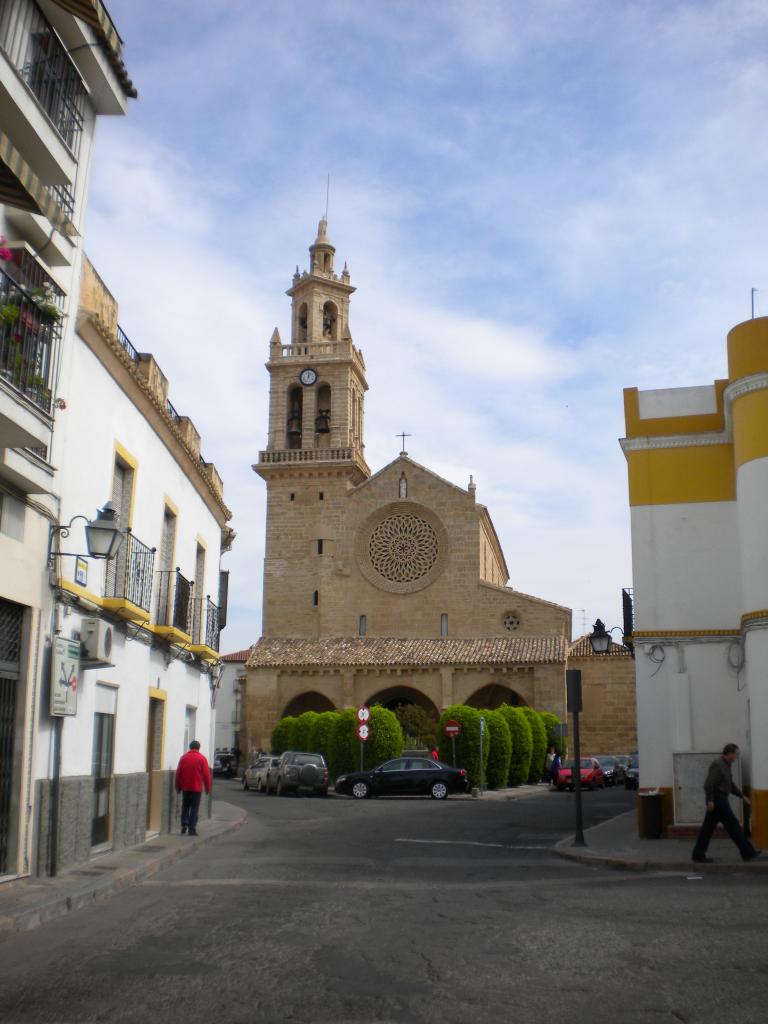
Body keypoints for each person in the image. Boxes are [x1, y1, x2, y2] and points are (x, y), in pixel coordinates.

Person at [691, 743, 761, 863]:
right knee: (734, 826)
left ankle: (698, 854)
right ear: (729, 754)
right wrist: (710, 800)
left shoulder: (726, 765)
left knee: (707, 829)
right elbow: (708, 784)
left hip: (720, 799)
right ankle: (748, 853)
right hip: (718, 800)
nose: (737, 756)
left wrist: (742, 796)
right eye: (736, 754)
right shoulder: (717, 765)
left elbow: (730, 785)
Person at [175, 740, 211, 836]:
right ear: (199, 748)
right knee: (194, 809)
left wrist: (178, 786)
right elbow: (207, 775)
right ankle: (192, 830)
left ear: (190, 747)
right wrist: (207, 788)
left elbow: (178, 773)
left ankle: (184, 824)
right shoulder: (202, 758)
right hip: (196, 788)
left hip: (185, 788)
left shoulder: (183, 758)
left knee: (185, 806)